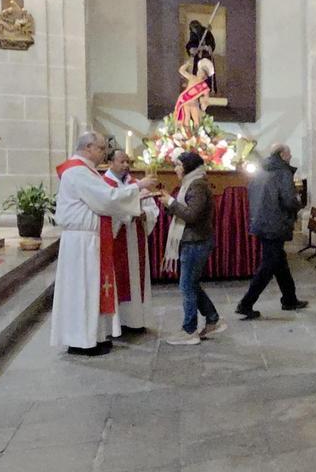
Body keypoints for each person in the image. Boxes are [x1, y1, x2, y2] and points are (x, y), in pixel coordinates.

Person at [51, 133, 157, 356]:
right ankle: (81, 341)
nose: (103, 154)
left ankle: (94, 336)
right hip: (82, 242)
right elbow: (107, 199)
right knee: (84, 291)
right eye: (100, 149)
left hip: (89, 239)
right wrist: (138, 188)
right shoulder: (78, 171)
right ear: (88, 148)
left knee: (92, 290)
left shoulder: (84, 170)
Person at [236, 144, 307, 320]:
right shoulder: (283, 172)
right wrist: (299, 203)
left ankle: (290, 299)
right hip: (275, 224)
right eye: (289, 153)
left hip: (261, 221)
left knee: (279, 262)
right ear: (282, 154)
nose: (290, 156)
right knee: (268, 265)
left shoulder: (261, 170)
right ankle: (246, 304)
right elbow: (289, 200)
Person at [161, 151, 225, 345]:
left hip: (196, 241)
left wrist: (171, 202)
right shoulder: (191, 182)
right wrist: (168, 204)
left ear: (188, 166)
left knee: (187, 285)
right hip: (191, 240)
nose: (175, 169)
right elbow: (183, 210)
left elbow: (192, 215)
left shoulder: (197, 184)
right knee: (192, 284)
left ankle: (190, 331)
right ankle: (212, 319)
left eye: (178, 165)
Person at [104, 148, 159, 333]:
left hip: (135, 240)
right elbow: (108, 211)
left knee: (136, 279)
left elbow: (152, 209)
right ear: (110, 162)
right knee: (118, 280)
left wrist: (145, 214)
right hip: (117, 239)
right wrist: (129, 214)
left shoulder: (136, 183)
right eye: (122, 161)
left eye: (128, 161)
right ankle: (116, 322)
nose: (126, 165)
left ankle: (135, 320)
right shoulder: (104, 184)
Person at [174, 23, 217, 126]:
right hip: (186, 101)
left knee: (196, 121)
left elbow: (211, 44)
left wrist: (207, 47)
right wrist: (193, 50)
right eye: (199, 71)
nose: (199, 73)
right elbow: (191, 45)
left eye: (202, 73)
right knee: (186, 120)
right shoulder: (193, 77)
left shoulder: (207, 32)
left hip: (206, 57)